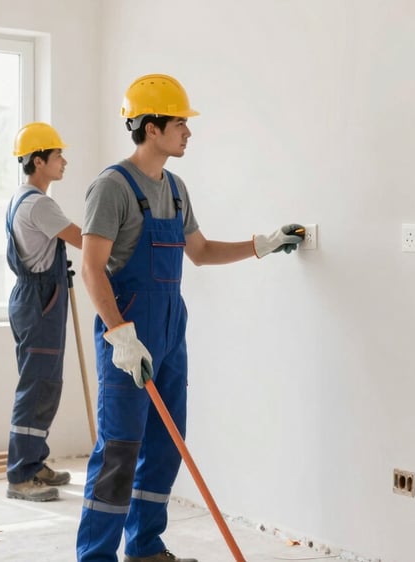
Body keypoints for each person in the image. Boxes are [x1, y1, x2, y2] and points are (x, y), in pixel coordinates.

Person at [76, 73, 303, 562]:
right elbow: (91, 269)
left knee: (165, 442)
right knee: (118, 450)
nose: (189, 132)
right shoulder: (111, 187)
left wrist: (262, 244)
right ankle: (95, 555)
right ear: (151, 127)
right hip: (129, 332)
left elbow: (199, 251)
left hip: (170, 330)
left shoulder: (176, 189)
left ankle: (144, 546)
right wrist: (120, 336)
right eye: (180, 122)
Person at [5, 122, 83, 502]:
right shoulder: (40, 203)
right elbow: (82, 238)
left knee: (42, 385)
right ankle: (21, 476)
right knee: (37, 388)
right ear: (39, 161)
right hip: (41, 302)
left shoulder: (21, 198)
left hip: (32, 298)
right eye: (57, 156)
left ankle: (34, 463)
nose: (64, 161)